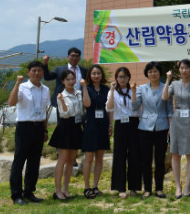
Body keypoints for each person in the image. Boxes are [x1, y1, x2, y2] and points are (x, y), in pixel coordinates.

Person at [8, 60, 50, 205]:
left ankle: (29, 191)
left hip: (39, 128)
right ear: (28, 72)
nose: (37, 73)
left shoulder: (45, 89)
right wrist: (17, 83)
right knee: (19, 161)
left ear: (43, 73)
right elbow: (11, 102)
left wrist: (45, 130)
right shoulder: (22, 87)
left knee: (34, 162)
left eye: (39, 70)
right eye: (34, 70)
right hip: (24, 127)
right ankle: (16, 195)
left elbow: (45, 111)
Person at [132, 61, 171, 199]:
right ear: (146, 74)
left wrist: (170, 128)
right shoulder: (141, 88)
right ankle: (147, 189)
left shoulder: (166, 87)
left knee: (160, 160)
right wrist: (133, 92)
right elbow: (135, 107)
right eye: (150, 71)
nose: (153, 74)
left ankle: (159, 189)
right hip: (145, 127)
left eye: (155, 71)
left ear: (159, 73)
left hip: (162, 126)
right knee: (146, 160)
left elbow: (170, 110)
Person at [162, 59, 190, 199]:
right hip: (177, 119)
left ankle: (188, 185)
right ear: (179, 70)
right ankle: (178, 186)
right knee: (175, 153)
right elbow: (164, 97)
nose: (184, 71)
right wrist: (168, 80)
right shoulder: (174, 84)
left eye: (186, 68)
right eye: (182, 68)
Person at [106, 66, 141, 199]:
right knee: (119, 156)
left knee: (135, 155)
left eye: (125, 76)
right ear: (116, 78)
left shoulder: (134, 90)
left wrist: (133, 91)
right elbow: (109, 108)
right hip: (120, 124)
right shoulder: (113, 92)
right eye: (120, 76)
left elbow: (135, 107)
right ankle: (120, 187)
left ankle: (134, 187)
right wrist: (111, 90)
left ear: (128, 77)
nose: (122, 79)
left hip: (133, 123)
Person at [49, 69, 84, 201]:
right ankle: (57, 190)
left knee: (71, 160)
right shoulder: (61, 96)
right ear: (63, 81)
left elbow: (82, 110)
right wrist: (62, 101)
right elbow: (64, 113)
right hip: (65, 127)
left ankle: (65, 189)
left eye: (72, 79)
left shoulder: (79, 93)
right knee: (62, 160)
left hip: (76, 127)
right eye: (67, 79)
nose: (70, 81)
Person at [80, 64, 110, 199]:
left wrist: (110, 125)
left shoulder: (106, 89)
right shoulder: (86, 88)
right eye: (93, 73)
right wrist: (84, 87)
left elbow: (109, 108)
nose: (96, 76)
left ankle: (95, 186)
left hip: (103, 124)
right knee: (89, 157)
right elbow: (87, 104)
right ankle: (87, 187)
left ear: (102, 75)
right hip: (90, 124)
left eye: (98, 73)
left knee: (99, 157)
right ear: (89, 75)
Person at [43, 48, 87, 121]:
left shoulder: (84, 70)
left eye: (77, 56)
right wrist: (45, 64)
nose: (74, 58)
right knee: (63, 124)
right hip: (63, 102)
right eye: (72, 56)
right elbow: (47, 77)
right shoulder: (60, 69)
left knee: (78, 124)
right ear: (68, 57)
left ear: (79, 58)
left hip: (79, 102)